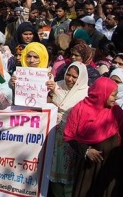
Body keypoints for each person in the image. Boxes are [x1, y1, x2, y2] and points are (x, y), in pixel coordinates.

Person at [64, 77, 123, 197]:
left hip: (110, 165)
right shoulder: (80, 109)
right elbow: (70, 136)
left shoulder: (116, 111)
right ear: (102, 93)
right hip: (88, 167)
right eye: (112, 95)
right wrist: (86, 151)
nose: (116, 98)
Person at [47, 62, 89, 197]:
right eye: (68, 75)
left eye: (74, 77)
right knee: (53, 168)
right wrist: (48, 91)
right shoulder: (56, 86)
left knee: (69, 173)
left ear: (81, 78)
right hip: (53, 135)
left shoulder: (86, 93)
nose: (70, 79)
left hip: (72, 138)